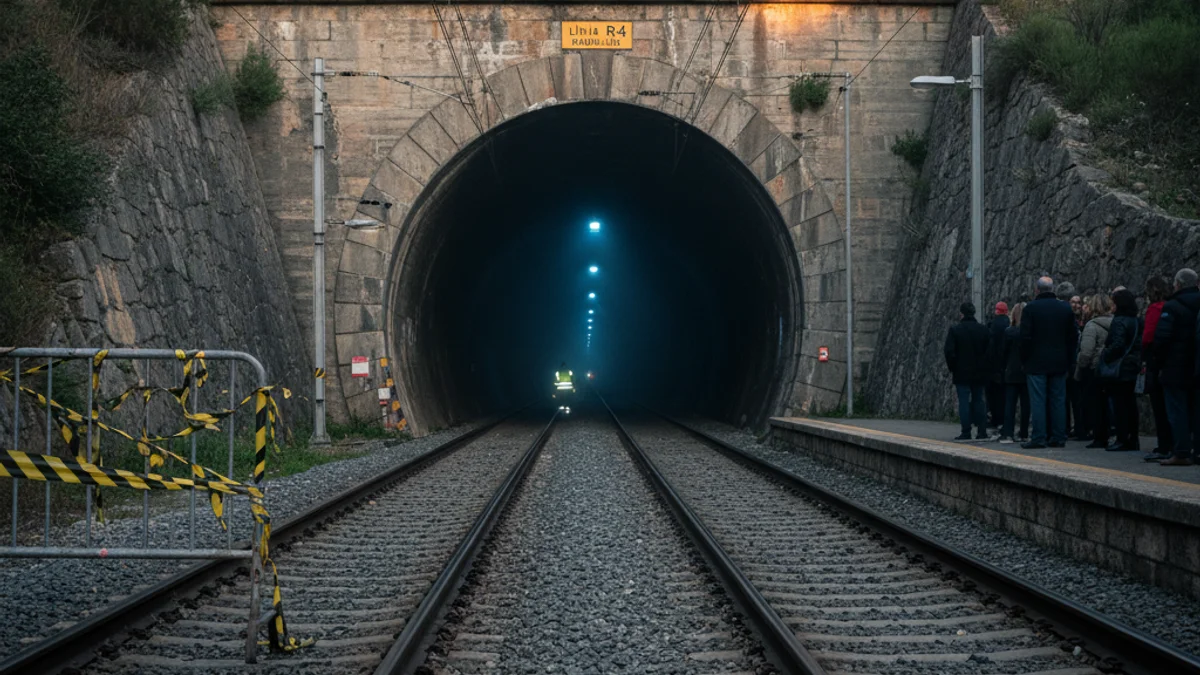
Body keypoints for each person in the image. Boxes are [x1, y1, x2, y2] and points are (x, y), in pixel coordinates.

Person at [1021, 276, 1078, 449]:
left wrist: (1024, 359)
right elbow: (1072, 337)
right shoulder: (1065, 309)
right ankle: (1059, 437)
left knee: (1038, 400)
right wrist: (1070, 360)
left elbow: (1025, 337)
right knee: (1058, 400)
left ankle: (1039, 437)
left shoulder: (1030, 309)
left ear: (1037, 290)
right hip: (1060, 361)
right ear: (1052, 289)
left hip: (1036, 362)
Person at [1153, 269, 1200, 465]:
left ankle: (1180, 451)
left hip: (1175, 365)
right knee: (1195, 409)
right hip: (1195, 364)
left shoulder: (1172, 306)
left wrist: (1157, 364)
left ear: (1178, 284)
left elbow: (1162, 338)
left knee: (1177, 410)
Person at [1099, 289, 1142, 452]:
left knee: (1120, 404)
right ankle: (1133, 438)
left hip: (1120, 366)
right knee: (1130, 404)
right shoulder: (1137, 320)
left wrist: (1105, 355)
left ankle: (1122, 438)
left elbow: (1117, 344)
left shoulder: (1119, 321)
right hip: (1132, 365)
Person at [945, 302, 993, 441]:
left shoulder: (955, 330)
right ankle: (982, 431)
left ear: (961, 314)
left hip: (961, 372)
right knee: (979, 400)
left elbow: (949, 352)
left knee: (964, 401)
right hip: (980, 372)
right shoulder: (983, 330)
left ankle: (966, 431)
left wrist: (953, 368)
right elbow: (990, 352)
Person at [1142, 275, 1174, 461]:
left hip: (1157, 362)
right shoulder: (1172, 306)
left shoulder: (1155, 309)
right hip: (1174, 361)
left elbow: (1148, 337)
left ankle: (1164, 445)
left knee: (1160, 406)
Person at [1076, 295, 1114, 448]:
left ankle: (1099, 436)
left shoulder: (1092, 325)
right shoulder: (1115, 323)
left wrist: (1080, 366)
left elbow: (1086, 351)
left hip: (1094, 368)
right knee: (1108, 404)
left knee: (1095, 405)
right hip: (1110, 367)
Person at [999, 302, 1029, 443]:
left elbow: (1003, 353)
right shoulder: (1028, 332)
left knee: (1009, 404)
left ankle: (1008, 432)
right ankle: (1023, 433)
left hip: (1011, 372)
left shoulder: (1009, 332)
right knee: (1025, 405)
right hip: (1026, 372)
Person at [986, 302, 1010, 429]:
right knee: (1005, 395)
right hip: (1007, 365)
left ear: (996, 311)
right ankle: (1004, 420)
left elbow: (990, 347)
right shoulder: (1010, 324)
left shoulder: (992, 325)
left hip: (994, 366)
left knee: (993, 395)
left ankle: (995, 419)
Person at [1067, 295, 1088, 440]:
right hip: (1070, 363)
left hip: (1078, 363)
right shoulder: (1069, 320)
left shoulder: (1085, 321)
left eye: (1078, 302)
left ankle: (1080, 428)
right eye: (1073, 302)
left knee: (1078, 399)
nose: (1076, 305)